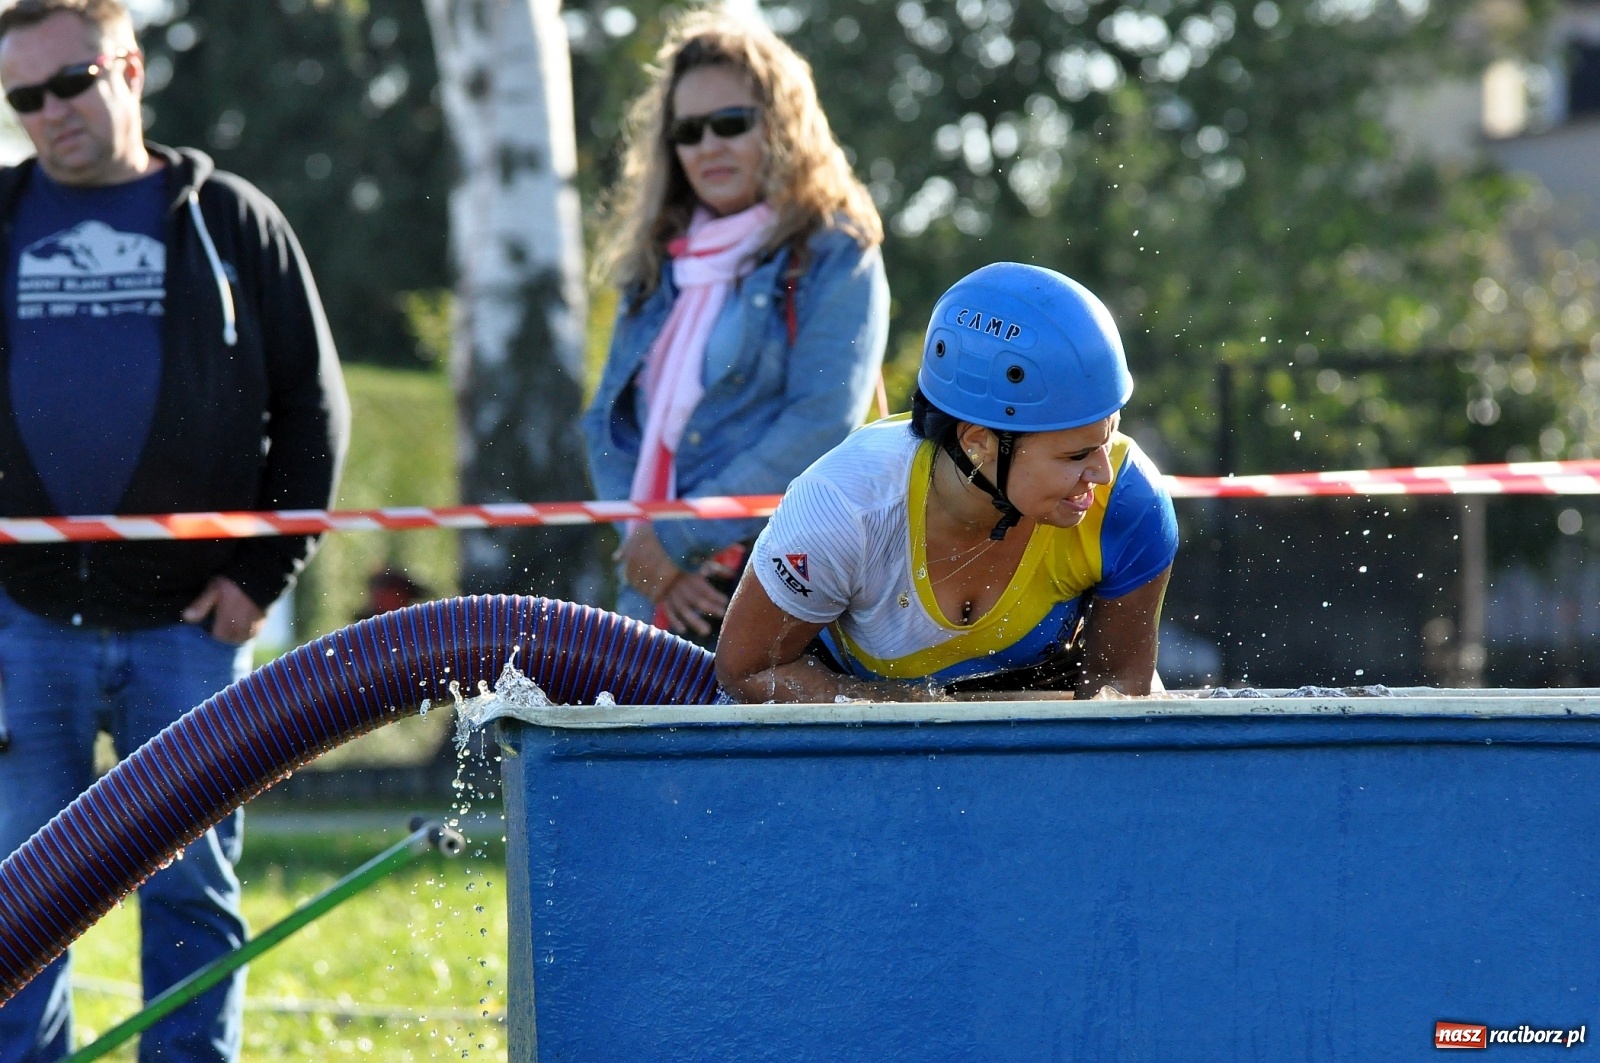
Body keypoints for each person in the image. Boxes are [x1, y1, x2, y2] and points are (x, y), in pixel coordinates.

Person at [0, 1, 348, 1060]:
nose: (51, 113)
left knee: (192, 888)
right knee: (21, 892)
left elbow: (313, 408)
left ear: (133, 70)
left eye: (73, 83)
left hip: (190, 630)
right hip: (25, 627)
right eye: (24, 98)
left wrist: (263, 573)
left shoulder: (231, 219)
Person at [715, 262, 1177, 703]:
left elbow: (1117, 698)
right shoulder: (843, 509)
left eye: (1108, 437)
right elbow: (748, 671)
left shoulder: (1130, 502)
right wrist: (911, 712)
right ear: (979, 442)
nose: (1103, 472)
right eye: (1076, 455)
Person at [583, 9, 888, 646]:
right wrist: (650, 558)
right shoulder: (658, 258)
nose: (708, 146)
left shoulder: (835, 248)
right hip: (654, 592)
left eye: (731, 123)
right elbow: (607, 424)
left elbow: (820, 424)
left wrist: (675, 538)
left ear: (782, 125)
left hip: (783, 588)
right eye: (688, 131)